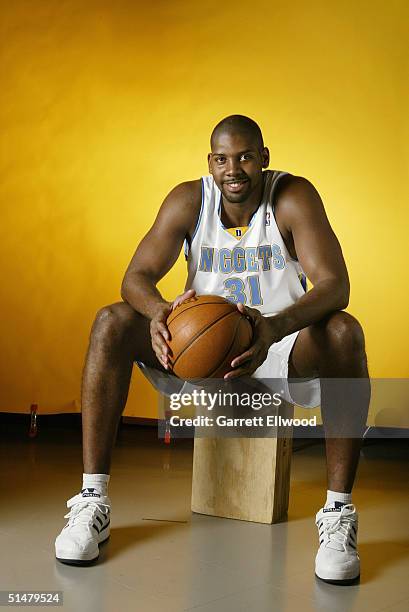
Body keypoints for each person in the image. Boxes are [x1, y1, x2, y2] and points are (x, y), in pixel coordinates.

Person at [55, 114, 370, 584]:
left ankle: (339, 515)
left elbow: (335, 285)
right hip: (196, 353)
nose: (233, 170)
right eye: (222, 159)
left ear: (264, 158)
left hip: (279, 348)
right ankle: (92, 501)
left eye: (245, 157)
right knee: (112, 321)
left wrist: (274, 327)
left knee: (344, 331)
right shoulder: (189, 200)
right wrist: (160, 311)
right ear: (210, 162)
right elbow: (134, 278)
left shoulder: (292, 196)